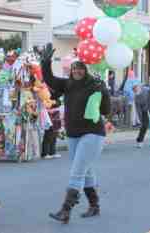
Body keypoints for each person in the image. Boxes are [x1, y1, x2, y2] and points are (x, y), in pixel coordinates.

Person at [41, 43, 111, 224]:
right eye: (74, 68)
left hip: (93, 133)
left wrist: (104, 91)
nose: (77, 71)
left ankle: (65, 210)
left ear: (86, 70)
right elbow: (49, 79)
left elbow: (105, 110)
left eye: (80, 68)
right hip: (73, 134)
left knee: (77, 171)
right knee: (85, 170)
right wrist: (45, 62)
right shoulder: (68, 84)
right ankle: (94, 205)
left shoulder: (95, 85)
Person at [41, 90, 62, 159]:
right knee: (48, 133)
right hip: (49, 115)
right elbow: (47, 104)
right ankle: (45, 153)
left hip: (55, 114)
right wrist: (54, 103)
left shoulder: (55, 95)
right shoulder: (45, 92)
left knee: (54, 134)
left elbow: (59, 103)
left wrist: (55, 103)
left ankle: (52, 152)